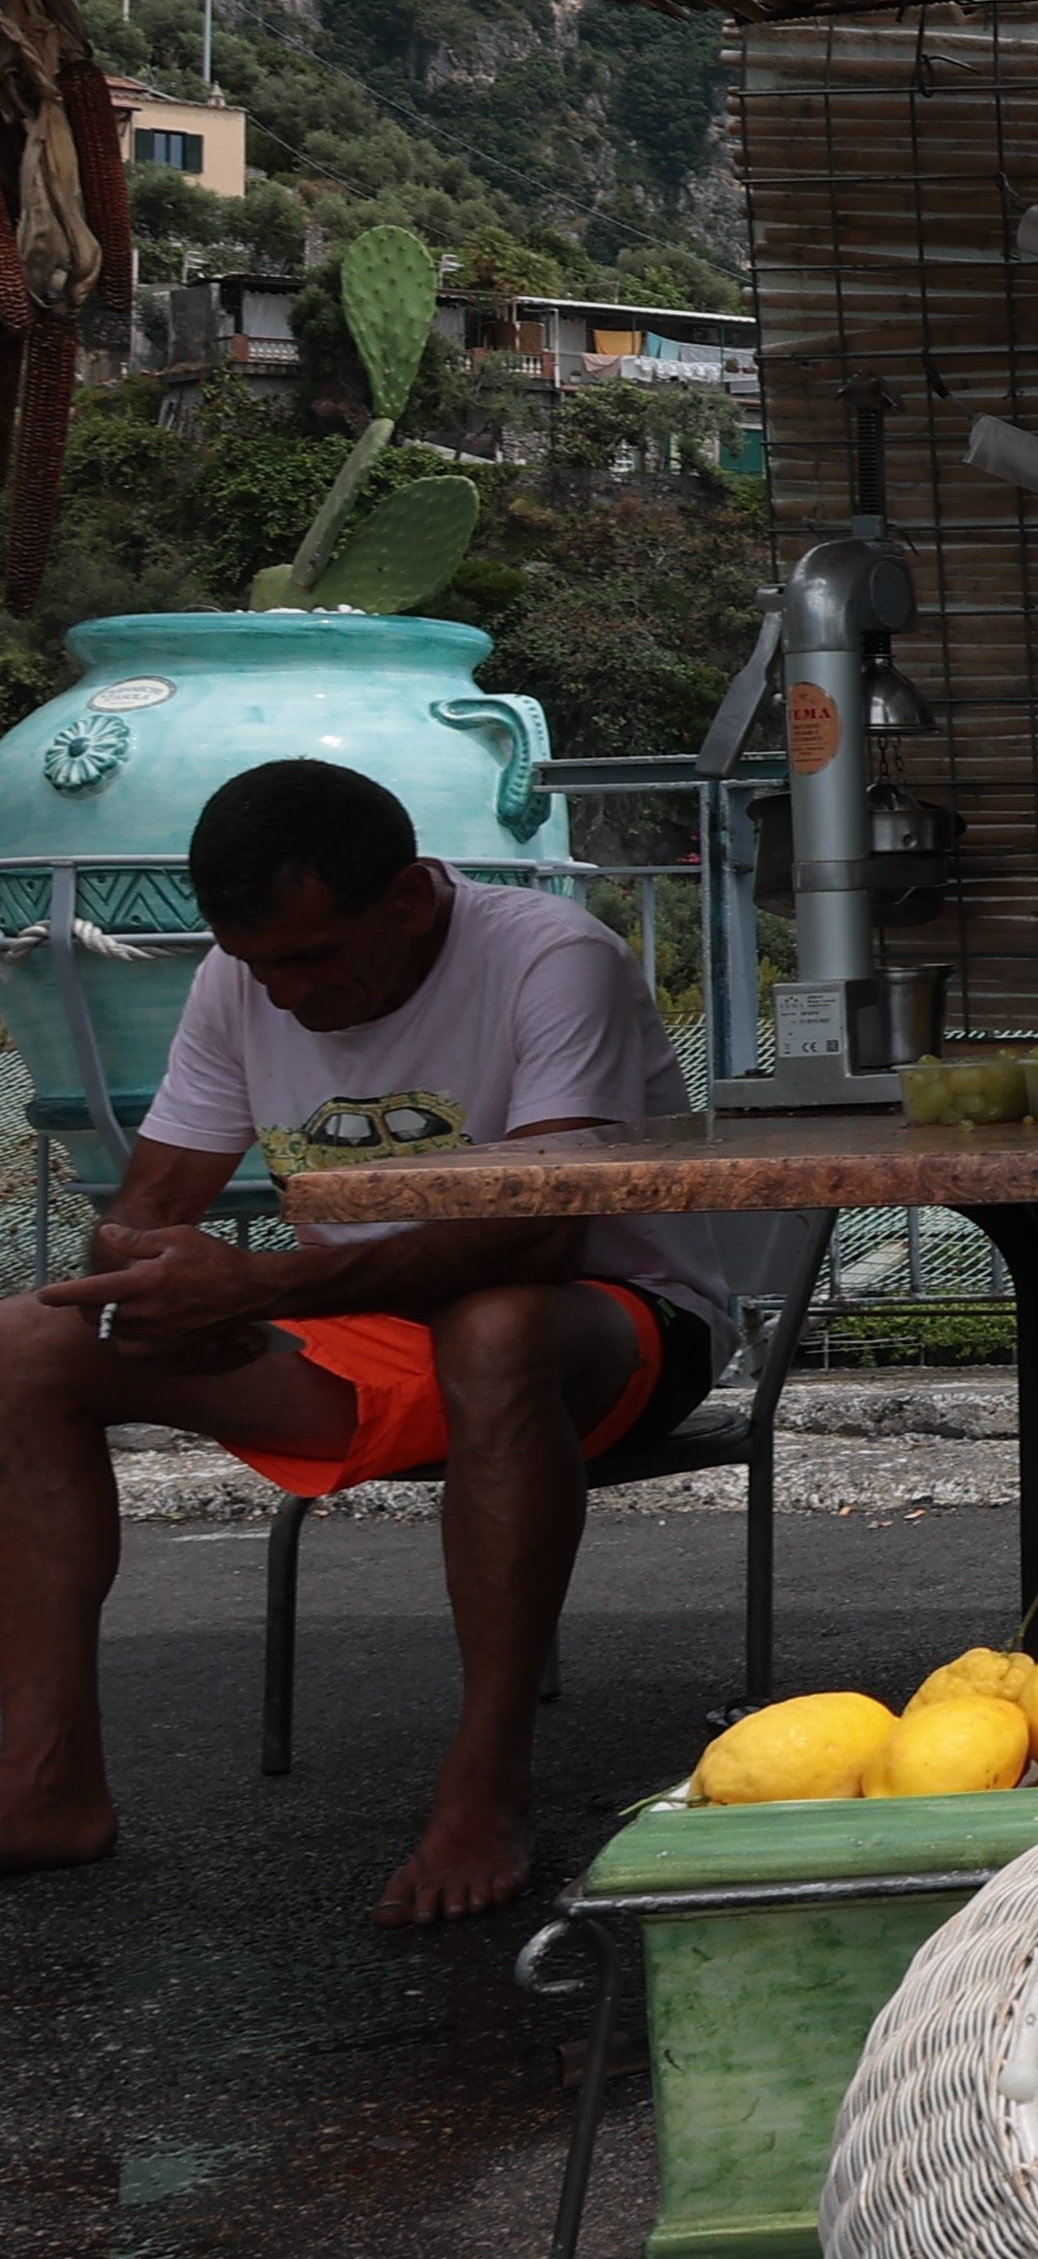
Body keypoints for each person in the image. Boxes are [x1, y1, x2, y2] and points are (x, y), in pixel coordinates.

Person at [0, 758, 719, 1922]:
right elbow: (146, 1211)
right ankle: (43, 1787)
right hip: (360, 1328)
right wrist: (151, 1289)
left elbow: (540, 1232)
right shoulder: (244, 983)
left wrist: (260, 1288)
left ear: (413, 897)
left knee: (491, 1329)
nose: (284, 995)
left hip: (611, 1326)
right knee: (22, 1345)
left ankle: (485, 1786)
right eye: (259, 966)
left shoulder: (552, 957)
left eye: (314, 960)